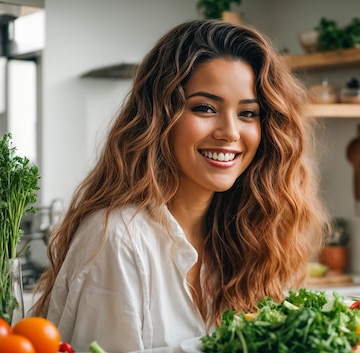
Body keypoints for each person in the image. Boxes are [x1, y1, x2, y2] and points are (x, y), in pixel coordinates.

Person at [31, 19, 329, 352]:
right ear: (159, 118)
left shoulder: (248, 237)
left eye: (248, 113)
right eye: (205, 108)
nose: (230, 132)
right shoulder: (117, 238)